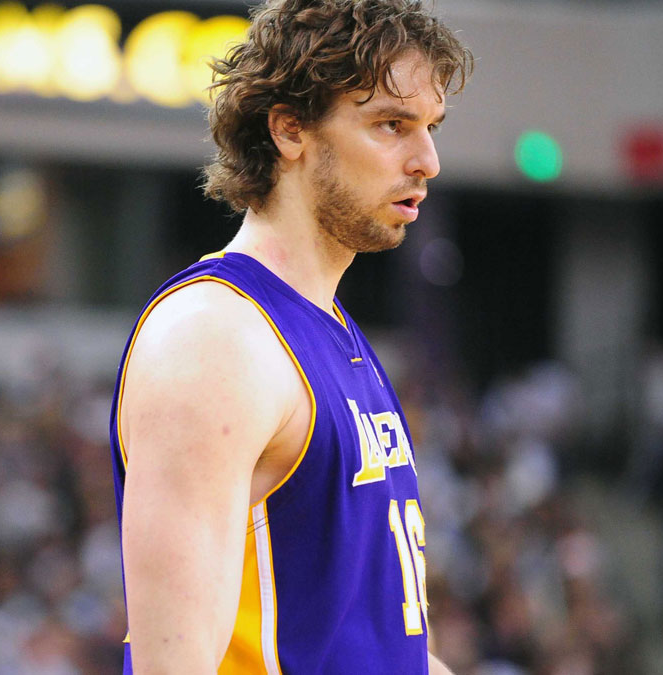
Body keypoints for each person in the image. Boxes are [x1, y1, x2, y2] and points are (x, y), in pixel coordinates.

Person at [108, 1, 473, 672]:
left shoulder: (332, 328)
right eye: (392, 125)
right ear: (289, 130)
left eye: (430, 127)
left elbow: (372, 641)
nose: (428, 160)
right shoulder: (217, 337)